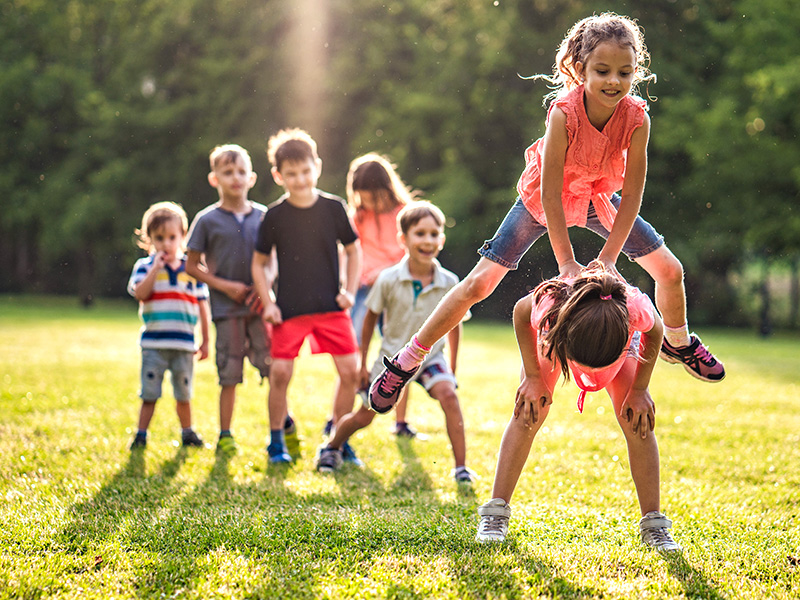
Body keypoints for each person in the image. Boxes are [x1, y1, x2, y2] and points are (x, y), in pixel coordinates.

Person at [368, 12, 724, 415]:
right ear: (580, 69)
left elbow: (634, 194)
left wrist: (607, 258)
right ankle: (407, 360)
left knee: (670, 270)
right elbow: (550, 192)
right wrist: (568, 262)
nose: (614, 81)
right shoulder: (564, 113)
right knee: (477, 286)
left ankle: (678, 344)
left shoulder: (637, 118)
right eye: (602, 70)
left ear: (635, 72)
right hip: (542, 202)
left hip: (599, 200)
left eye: (625, 73)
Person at [475, 264, 681, 551]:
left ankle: (654, 524)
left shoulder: (633, 305)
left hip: (619, 355)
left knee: (637, 419)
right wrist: (534, 377)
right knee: (529, 410)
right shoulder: (552, 302)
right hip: (559, 342)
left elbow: (656, 330)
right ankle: (496, 513)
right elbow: (521, 313)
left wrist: (639, 389)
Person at [315, 202, 473, 483]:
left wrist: (453, 366)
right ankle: (331, 446)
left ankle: (461, 468)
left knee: (449, 396)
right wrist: (363, 364)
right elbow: (368, 319)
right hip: (391, 361)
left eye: (434, 234)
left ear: (442, 239)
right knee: (365, 415)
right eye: (420, 233)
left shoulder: (451, 282)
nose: (427, 240)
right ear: (403, 239)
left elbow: (456, 324)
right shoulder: (387, 279)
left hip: (431, 359)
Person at [251, 128, 362, 464]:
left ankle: (336, 440)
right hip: (289, 311)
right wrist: (268, 302)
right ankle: (276, 443)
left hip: (331, 308)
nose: (300, 179)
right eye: (291, 174)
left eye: (305, 171)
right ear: (278, 175)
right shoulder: (275, 215)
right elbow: (258, 264)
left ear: (317, 166)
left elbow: (354, 251)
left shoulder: (333, 208)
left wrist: (350, 292)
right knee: (280, 375)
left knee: (351, 374)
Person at [185, 145, 296, 457]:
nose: (235, 178)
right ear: (214, 178)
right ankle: (225, 434)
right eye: (227, 172)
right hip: (226, 309)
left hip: (262, 310)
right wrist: (225, 286)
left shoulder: (264, 216)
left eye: (241, 172)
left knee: (274, 369)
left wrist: (266, 286)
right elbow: (192, 266)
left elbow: (274, 259)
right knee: (229, 373)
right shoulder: (206, 220)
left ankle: (284, 426)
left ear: (252, 177)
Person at [127, 201, 210, 450]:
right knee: (149, 393)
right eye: (159, 238)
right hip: (154, 344)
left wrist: (206, 341)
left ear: (183, 237)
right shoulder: (143, 267)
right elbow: (140, 294)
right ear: (149, 239)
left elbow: (203, 306)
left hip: (184, 344)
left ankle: (188, 432)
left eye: (172, 237)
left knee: (183, 394)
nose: (166, 243)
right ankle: (141, 434)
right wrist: (155, 269)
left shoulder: (192, 269)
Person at [346, 153, 417, 438]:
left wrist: (387, 274)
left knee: (402, 351)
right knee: (352, 347)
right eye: (363, 198)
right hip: (365, 288)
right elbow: (352, 253)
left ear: (387, 190)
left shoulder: (404, 212)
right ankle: (343, 411)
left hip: (395, 288)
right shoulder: (359, 216)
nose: (370, 204)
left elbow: (408, 254)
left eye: (374, 198)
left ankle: (400, 421)